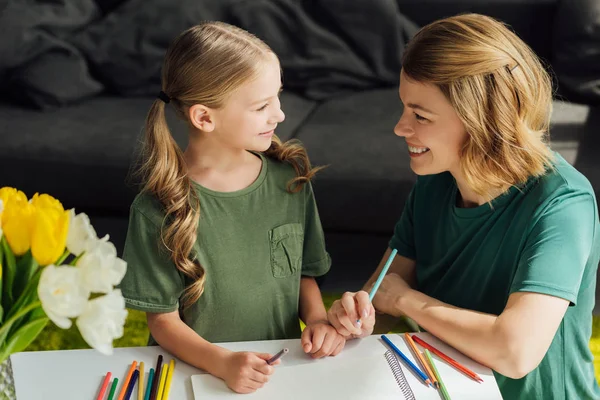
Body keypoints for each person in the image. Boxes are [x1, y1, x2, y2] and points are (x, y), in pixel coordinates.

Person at [327, 13, 600, 399]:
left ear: (482, 121)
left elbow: (515, 351)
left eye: (420, 115)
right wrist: (358, 313)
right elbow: (382, 289)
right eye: (405, 108)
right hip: (442, 386)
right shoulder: (436, 180)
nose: (400, 127)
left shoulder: (562, 203)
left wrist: (406, 300)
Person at [119, 22, 345, 394]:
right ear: (204, 117)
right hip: (195, 377)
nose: (280, 115)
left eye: (278, 97)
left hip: (280, 371)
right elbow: (162, 322)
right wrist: (222, 363)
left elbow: (303, 272)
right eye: (261, 106)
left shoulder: (290, 181)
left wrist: (318, 320)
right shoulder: (157, 209)